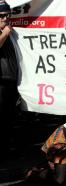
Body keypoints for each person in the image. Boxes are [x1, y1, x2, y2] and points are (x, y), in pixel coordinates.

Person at [0, 0, 19, 155]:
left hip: (12, 81)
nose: (5, 18)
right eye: (1, 15)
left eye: (8, 15)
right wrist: (5, 34)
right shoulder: (6, 33)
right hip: (1, 82)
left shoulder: (12, 32)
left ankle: (6, 147)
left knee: (8, 117)